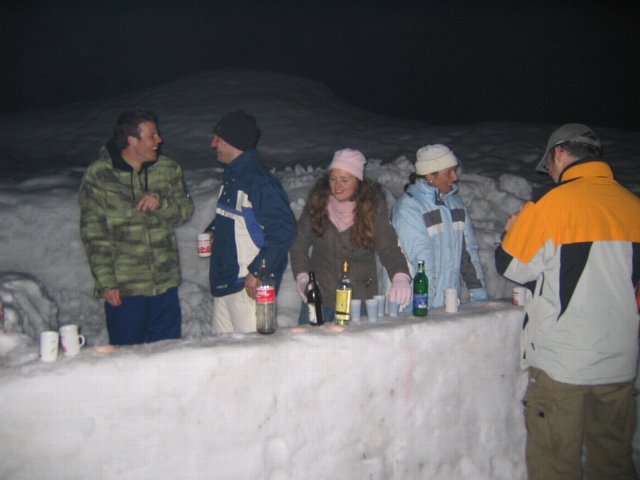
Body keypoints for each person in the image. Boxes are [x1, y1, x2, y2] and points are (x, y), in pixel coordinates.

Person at [495, 123, 640, 479]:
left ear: (559, 154)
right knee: (614, 462)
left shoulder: (552, 204)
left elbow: (511, 266)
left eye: (548, 164)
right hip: (620, 364)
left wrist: (511, 230)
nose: (550, 173)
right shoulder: (633, 205)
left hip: (564, 365)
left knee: (555, 463)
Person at [79, 109, 194, 345]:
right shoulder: (99, 176)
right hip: (126, 289)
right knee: (128, 355)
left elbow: (184, 211)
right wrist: (106, 283)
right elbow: (94, 234)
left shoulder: (168, 169)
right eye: (152, 135)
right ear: (132, 140)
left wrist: (162, 204)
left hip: (165, 286)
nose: (159, 140)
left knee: (167, 351)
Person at [290, 148, 412, 323]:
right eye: (333, 178)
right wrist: (303, 278)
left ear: (357, 181)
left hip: (358, 302)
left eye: (344, 180)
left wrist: (400, 276)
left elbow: (389, 249)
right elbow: (298, 245)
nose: (337, 186)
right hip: (319, 298)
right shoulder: (317, 204)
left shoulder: (373, 210)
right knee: (310, 341)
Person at [204, 110, 296, 333]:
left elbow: (284, 230)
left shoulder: (259, 182)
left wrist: (258, 271)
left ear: (233, 142)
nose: (213, 144)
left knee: (253, 353)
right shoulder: (233, 177)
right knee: (223, 353)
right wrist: (214, 231)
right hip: (226, 286)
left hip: (248, 287)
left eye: (218, 138)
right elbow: (237, 221)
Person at [391, 144, 487, 308]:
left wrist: (478, 289)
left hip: (447, 302)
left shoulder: (456, 205)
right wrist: (422, 302)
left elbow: (468, 253)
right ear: (430, 175)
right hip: (414, 303)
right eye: (448, 172)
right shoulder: (409, 207)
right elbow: (421, 257)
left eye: (454, 170)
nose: (455, 177)